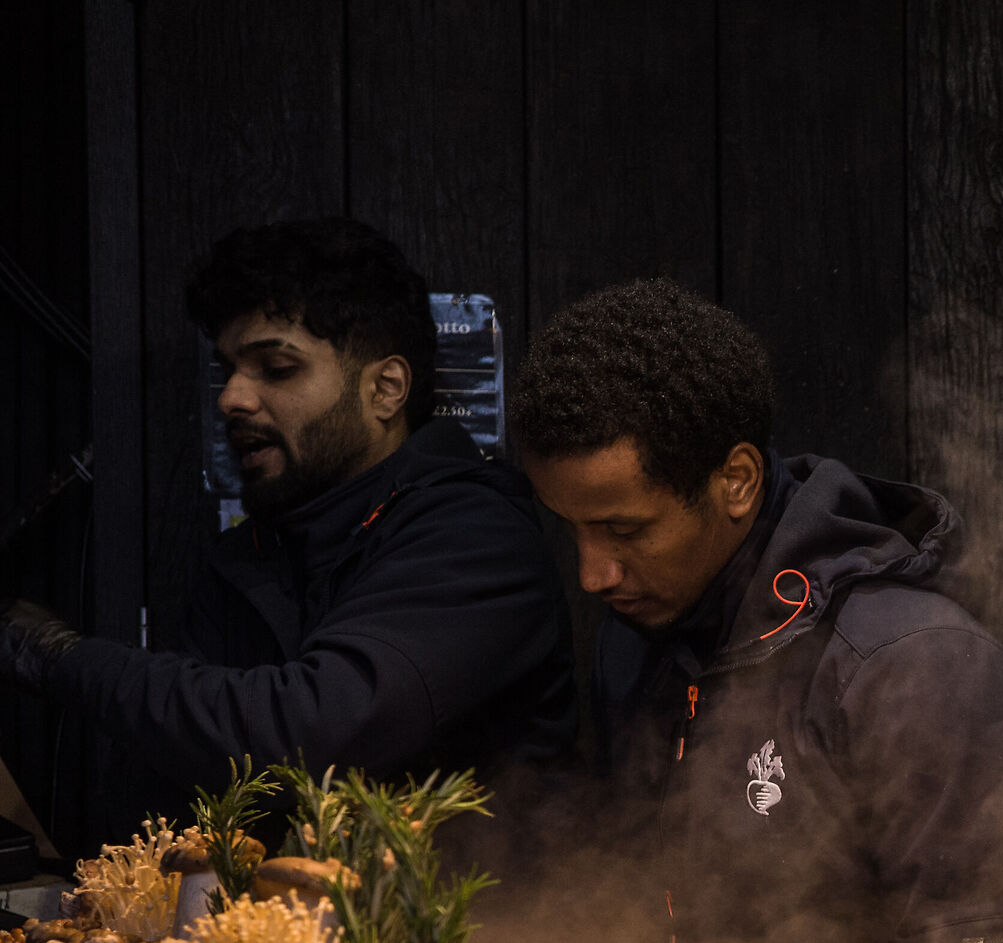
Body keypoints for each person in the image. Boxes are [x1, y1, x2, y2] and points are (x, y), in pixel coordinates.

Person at [509, 278, 1003, 943]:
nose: (593, 575)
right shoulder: (634, 636)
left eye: (624, 530)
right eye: (573, 530)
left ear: (734, 480)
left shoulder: (914, 664)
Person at [0, 218, 576, 826]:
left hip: (477, 921)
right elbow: (183, 795)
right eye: (229, 371)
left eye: (276, 368)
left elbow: (311, 733)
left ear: (385, 388)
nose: (233, 398)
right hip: (280, 919)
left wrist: (59, 657)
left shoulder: (474, 535)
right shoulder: (248, 558)